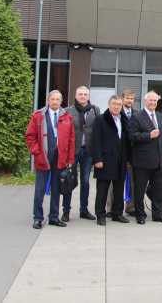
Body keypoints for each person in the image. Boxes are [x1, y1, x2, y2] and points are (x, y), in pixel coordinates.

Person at [26, 90, 74, 229]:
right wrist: (36, 152)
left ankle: (54, 216)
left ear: (61, 101)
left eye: (57, 99)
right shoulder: (38, 116)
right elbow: (30, 136)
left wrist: (70, 158)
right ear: (48, 101)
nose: (55, 102)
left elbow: (71, 139)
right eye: (52, 99)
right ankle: (37, 218)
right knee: (40, 189)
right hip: (43, 156)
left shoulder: (67, 117)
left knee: (57, 188)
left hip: (60, 157)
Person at [127, 91, 162, 225]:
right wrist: (148, 135)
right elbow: (132, 135)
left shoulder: (161, 117)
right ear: (145, 101)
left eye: (155, 100)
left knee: (158, 190)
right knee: (139, 190)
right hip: (142, 161)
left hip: (158, 162)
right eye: (150, 100)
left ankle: (158, 214)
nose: (153, 102)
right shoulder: (137, 117)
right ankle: (140, 215)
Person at [61, 86, 100, 222]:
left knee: (85, 181)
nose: (83, 96)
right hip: (73, 151)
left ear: (88, 97)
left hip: (88, 151)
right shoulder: (67, 111)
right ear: (76, 96)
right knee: (69, 180)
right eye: (80, 94)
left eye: (85, 94)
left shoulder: (95, 110)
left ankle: (83, 209)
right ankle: (66, 210)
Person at [92, 95, 130, 225]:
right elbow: (95, 140)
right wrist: (98, 159)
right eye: (114, 104)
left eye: (119, 104)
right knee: (102, 190)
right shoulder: (101, 119)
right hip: (105, 159)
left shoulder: (124, 119)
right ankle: (100, 215)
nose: (116, 106)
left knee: (119, 189)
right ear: (109, 104)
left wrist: (128, 158)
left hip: (120, 160)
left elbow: (127, 141)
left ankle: (117, 213)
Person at [107, 89, 136, 218]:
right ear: (123, 99)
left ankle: (131, 207)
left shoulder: (137, 114)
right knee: (114, 183)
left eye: (131, 98)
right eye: (127, 98)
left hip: (133, 153)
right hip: (117, 153)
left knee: (133, 182)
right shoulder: (116, 113)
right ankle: (110, 208)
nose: (129, 101)